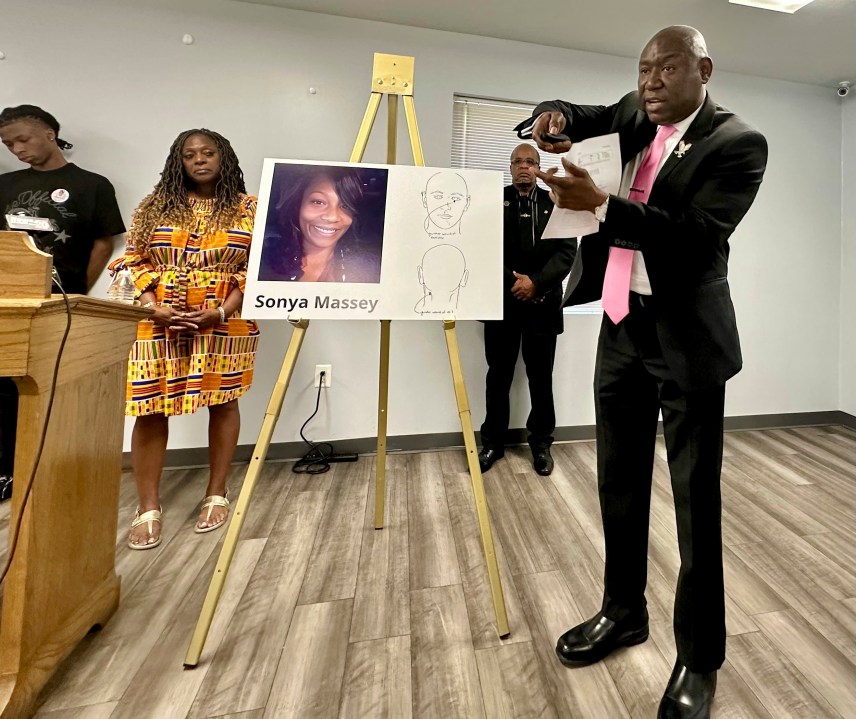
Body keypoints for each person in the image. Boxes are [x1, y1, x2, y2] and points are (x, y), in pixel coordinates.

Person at [519, 26, 768, 719]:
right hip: (624, 325)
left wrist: (596, 205)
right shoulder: (636, 110)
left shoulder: (738, 144)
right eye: (643, 69)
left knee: (696, 507)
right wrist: (556, 116)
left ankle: (698, 657)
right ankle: (623, 610)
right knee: (618, 482)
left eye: (667, 68)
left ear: (704, 70)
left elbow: (690, 237)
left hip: (687, 339)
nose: (651, 81)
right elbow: (588, 119)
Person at [120, 128, 260, 549]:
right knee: (148, 406)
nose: (199, 160)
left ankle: (217, 491)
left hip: (225, 319)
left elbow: (257, 266)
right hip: (157, 318)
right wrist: (152, 306)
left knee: (223, 400)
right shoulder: (154, 206)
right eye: (189, 155)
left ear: (225, 157)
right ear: (178, 162)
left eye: (208, 152)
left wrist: (220, 311)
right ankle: (147, 507)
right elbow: (131, 258)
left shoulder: (250, 209)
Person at [0, 104, 125, 502]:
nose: (16, 149)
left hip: (62, 304)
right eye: (7, 144)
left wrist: (78, 290)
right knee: (6, 386)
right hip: (10, 302)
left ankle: (53, 467)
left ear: (49, 134)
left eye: (22, 138)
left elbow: (105, 240)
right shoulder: (4, 185)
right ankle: (8, 472)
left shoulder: (93, 185)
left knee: (57, 384)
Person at [477, 144, 576, 476]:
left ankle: (542, 443)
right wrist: (515, 283)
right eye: (517, 161)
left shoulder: (557, 203)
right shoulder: (493, 201)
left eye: (530, 161)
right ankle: (492, 442)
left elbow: (566, 252)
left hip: (543, 305)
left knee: (540, 379)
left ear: (539, 167)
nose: (523, 166)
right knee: (498, 377)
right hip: (503, 305)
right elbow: (483, 247)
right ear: (510, 166)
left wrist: (536, 282)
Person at [258, 165, 382, 283]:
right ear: (298, 205)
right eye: (318, 202)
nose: (332, 217)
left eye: (345, 205)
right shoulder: (263, 262)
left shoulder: (370, 270)